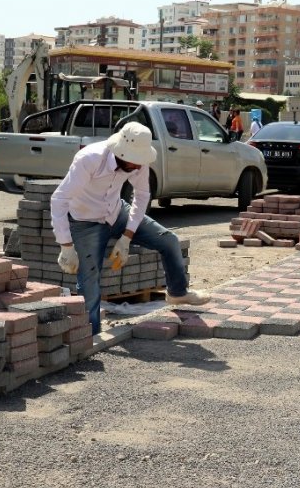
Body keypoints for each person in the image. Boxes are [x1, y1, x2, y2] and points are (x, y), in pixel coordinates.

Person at [50, 122, 210, 334]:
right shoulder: (89, 160)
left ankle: (177, 292)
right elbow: (59, 200)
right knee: (89, 280)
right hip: (85, 221)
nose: (137, 166)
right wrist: (66, 246)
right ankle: (91, 334)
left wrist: (127, 237)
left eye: (140, 162)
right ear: (120, 152)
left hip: (117, 213)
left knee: (169, 240)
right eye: (134, 162)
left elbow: (142, 195)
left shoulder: (138, 163)